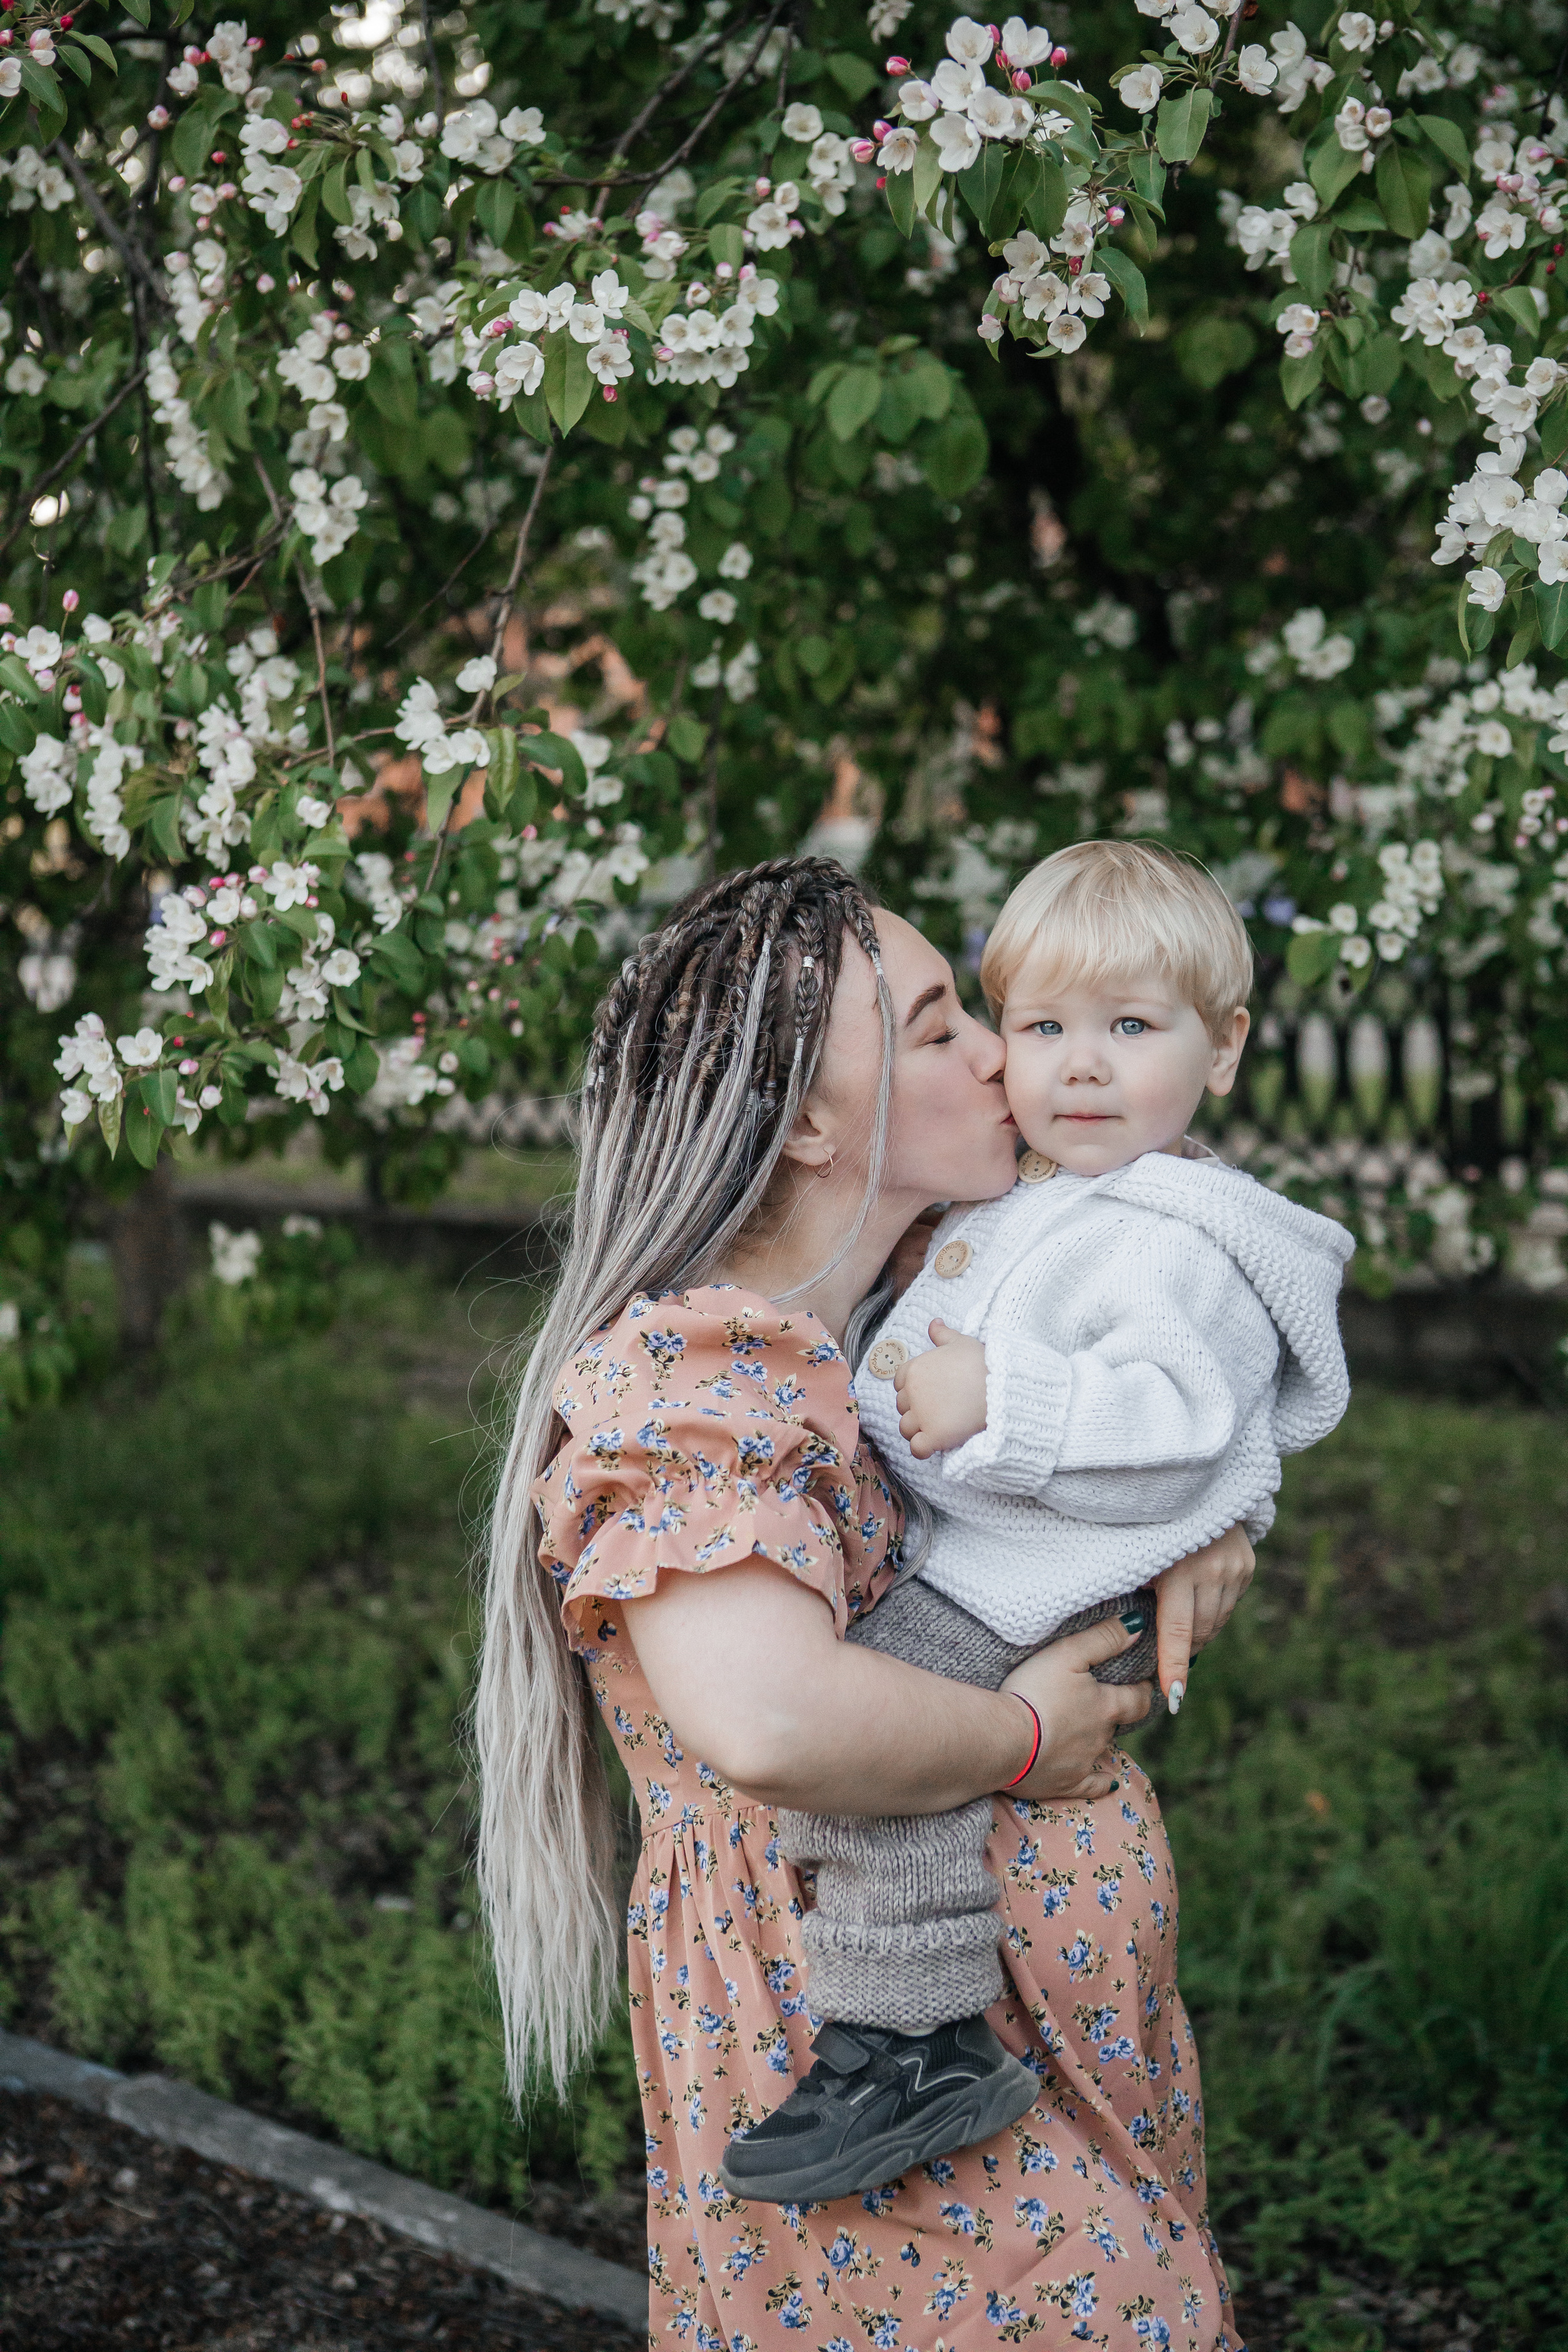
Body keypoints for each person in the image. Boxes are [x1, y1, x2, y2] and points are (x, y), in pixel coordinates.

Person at [476, 854, 1254, 2350]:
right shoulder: (705, 1376)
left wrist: (1214, 1527)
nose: (1001, 1051)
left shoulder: (924, 1312)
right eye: (941, 1020)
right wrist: (1022, 1744)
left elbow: (1147, 1416)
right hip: (874, 2071)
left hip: (1048, 2046)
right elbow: (769, 1716)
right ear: (815, 1120)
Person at [730, 842, 1353, 2209]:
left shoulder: (1176, 1234)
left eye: (1129, 1029)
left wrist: (1003, 1398)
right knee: (871, 1746)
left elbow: (1176, 1418)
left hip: (1032, 1585)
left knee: (876, 1730)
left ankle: (915, 2041)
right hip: (1000, 1563)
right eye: (1040, 1025)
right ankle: (900, 2032)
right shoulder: (1036, 1199)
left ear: (1224, 1046)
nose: (1077, 1066)